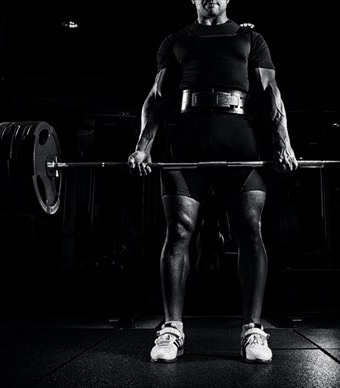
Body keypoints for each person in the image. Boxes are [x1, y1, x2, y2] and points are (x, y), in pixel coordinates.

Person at [127, 0, 298, 364]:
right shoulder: (176, 40)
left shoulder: (250, 38)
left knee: (250, 230)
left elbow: (271, 93)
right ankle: (172, 328)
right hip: (186, 143)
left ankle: (253, 329)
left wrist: (283, 143)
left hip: (241, 141)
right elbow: (157, 98)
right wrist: (142, 148)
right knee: (178, 231)